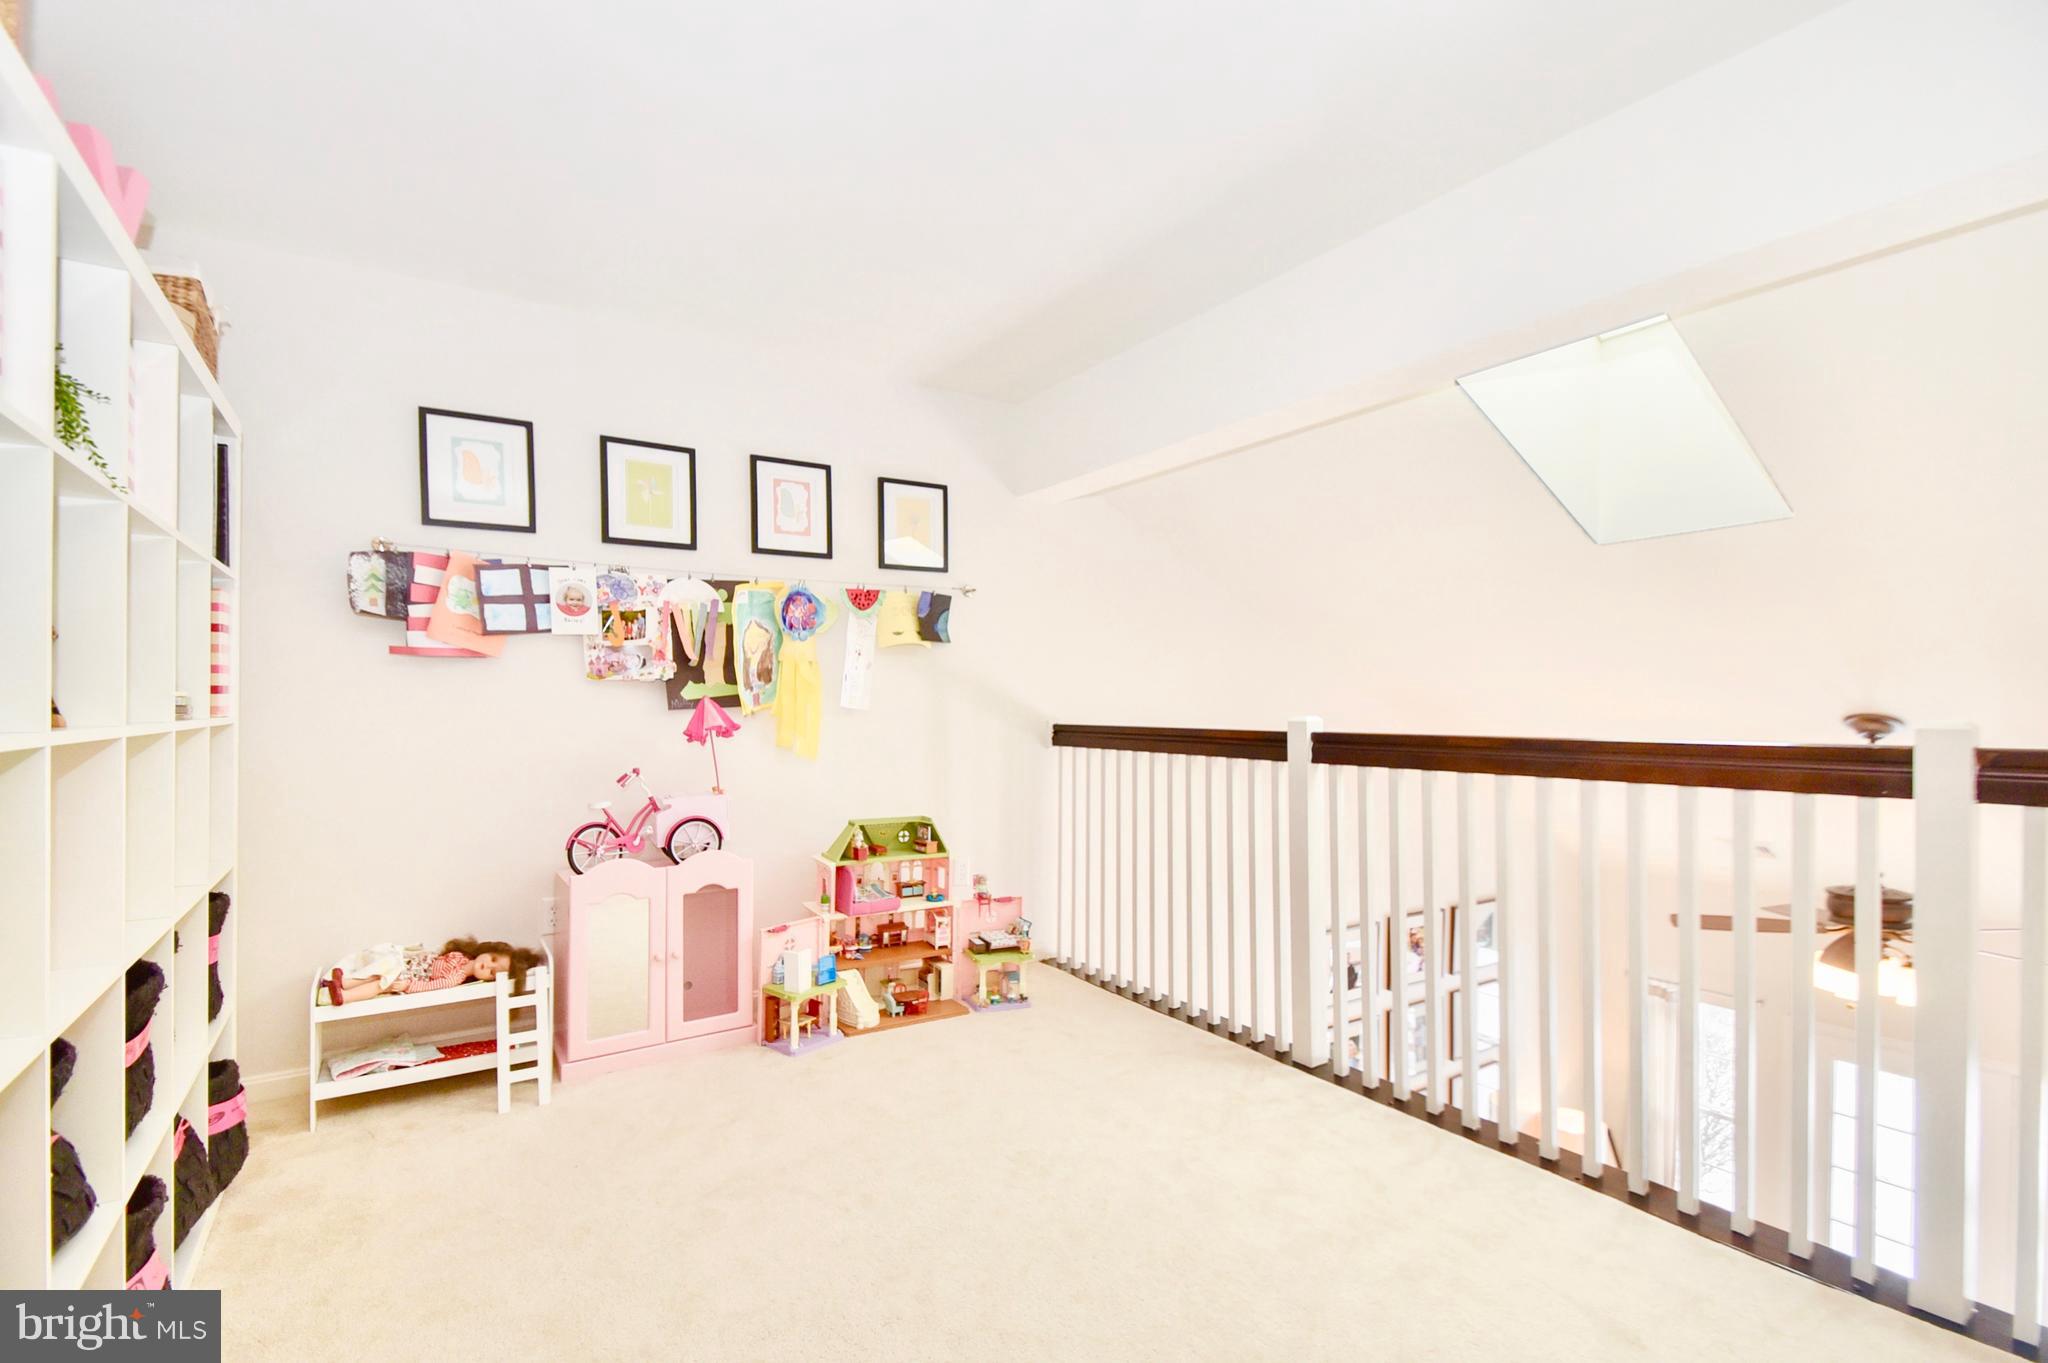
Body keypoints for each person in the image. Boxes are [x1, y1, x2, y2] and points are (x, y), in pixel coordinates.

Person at [320, 938, 542, 1005]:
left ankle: (344, 996)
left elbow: (434, 984)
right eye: (492, 959)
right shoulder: (461, 957)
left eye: (493, 973)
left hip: (411, 977)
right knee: (380, 971)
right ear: (487, 950)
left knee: (381, 983)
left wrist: (408, 986)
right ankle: (345, 982)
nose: (488, 967)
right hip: (409, 966)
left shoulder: (458, 976)